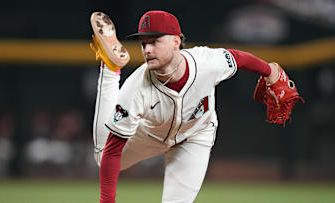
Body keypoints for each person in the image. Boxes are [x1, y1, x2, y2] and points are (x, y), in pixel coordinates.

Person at [90, 10, 280, 203]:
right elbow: (113, 152)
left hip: (195, 135)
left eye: (154, 41)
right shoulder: (135, 88)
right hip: (150, 136)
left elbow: (239, 58)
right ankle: (110, 68)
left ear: (176, 41)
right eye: (144, 43)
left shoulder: (206, 62)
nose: (147, 49)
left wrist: (270, 71)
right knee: (102, 156)